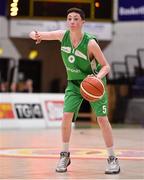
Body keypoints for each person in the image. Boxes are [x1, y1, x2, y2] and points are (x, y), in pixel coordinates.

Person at [29, 7, 120, 174]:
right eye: (69, 18)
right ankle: (64, 155)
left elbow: (106, 66)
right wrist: (34, 34)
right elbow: (40, 34)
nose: (72, 21)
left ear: (82, 22)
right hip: (74, 83)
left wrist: (97, 78)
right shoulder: (62, 36)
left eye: (76, 18)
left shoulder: (90, 43)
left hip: (93, 82)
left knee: (101, 120)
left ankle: (112, 158)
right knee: (66, 117)